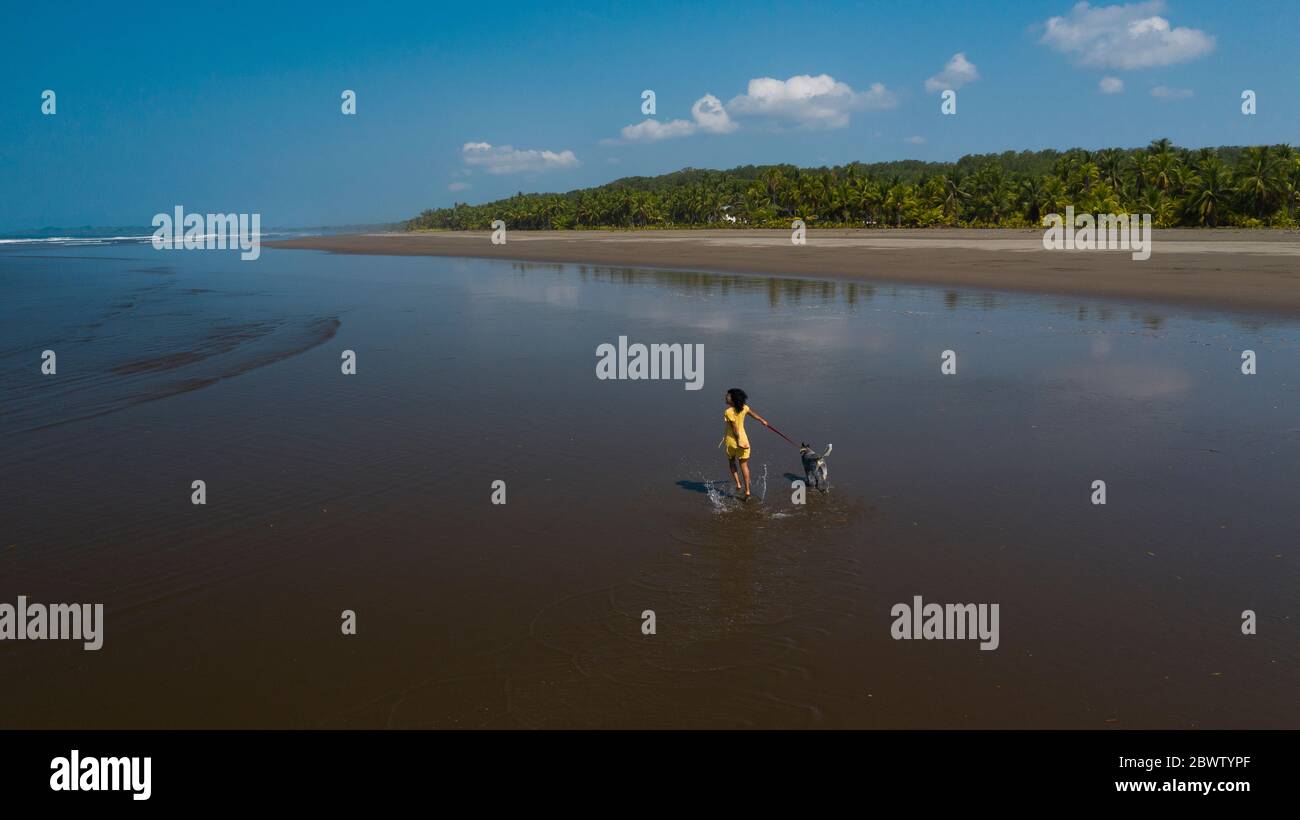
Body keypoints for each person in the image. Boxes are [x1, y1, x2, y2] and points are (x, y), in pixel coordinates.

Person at [722, 388, 771, 500]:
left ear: (733, 400)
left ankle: (739, 484)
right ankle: (748, 490)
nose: (726, 396)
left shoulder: (729, 412)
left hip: (733, 441)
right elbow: (753, 414)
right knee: (744, 465)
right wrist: (762, 420)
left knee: (731, 462)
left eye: (728, 396)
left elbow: (734, 428)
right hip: (744, 441)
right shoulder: (744, 408)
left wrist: (738, 441)